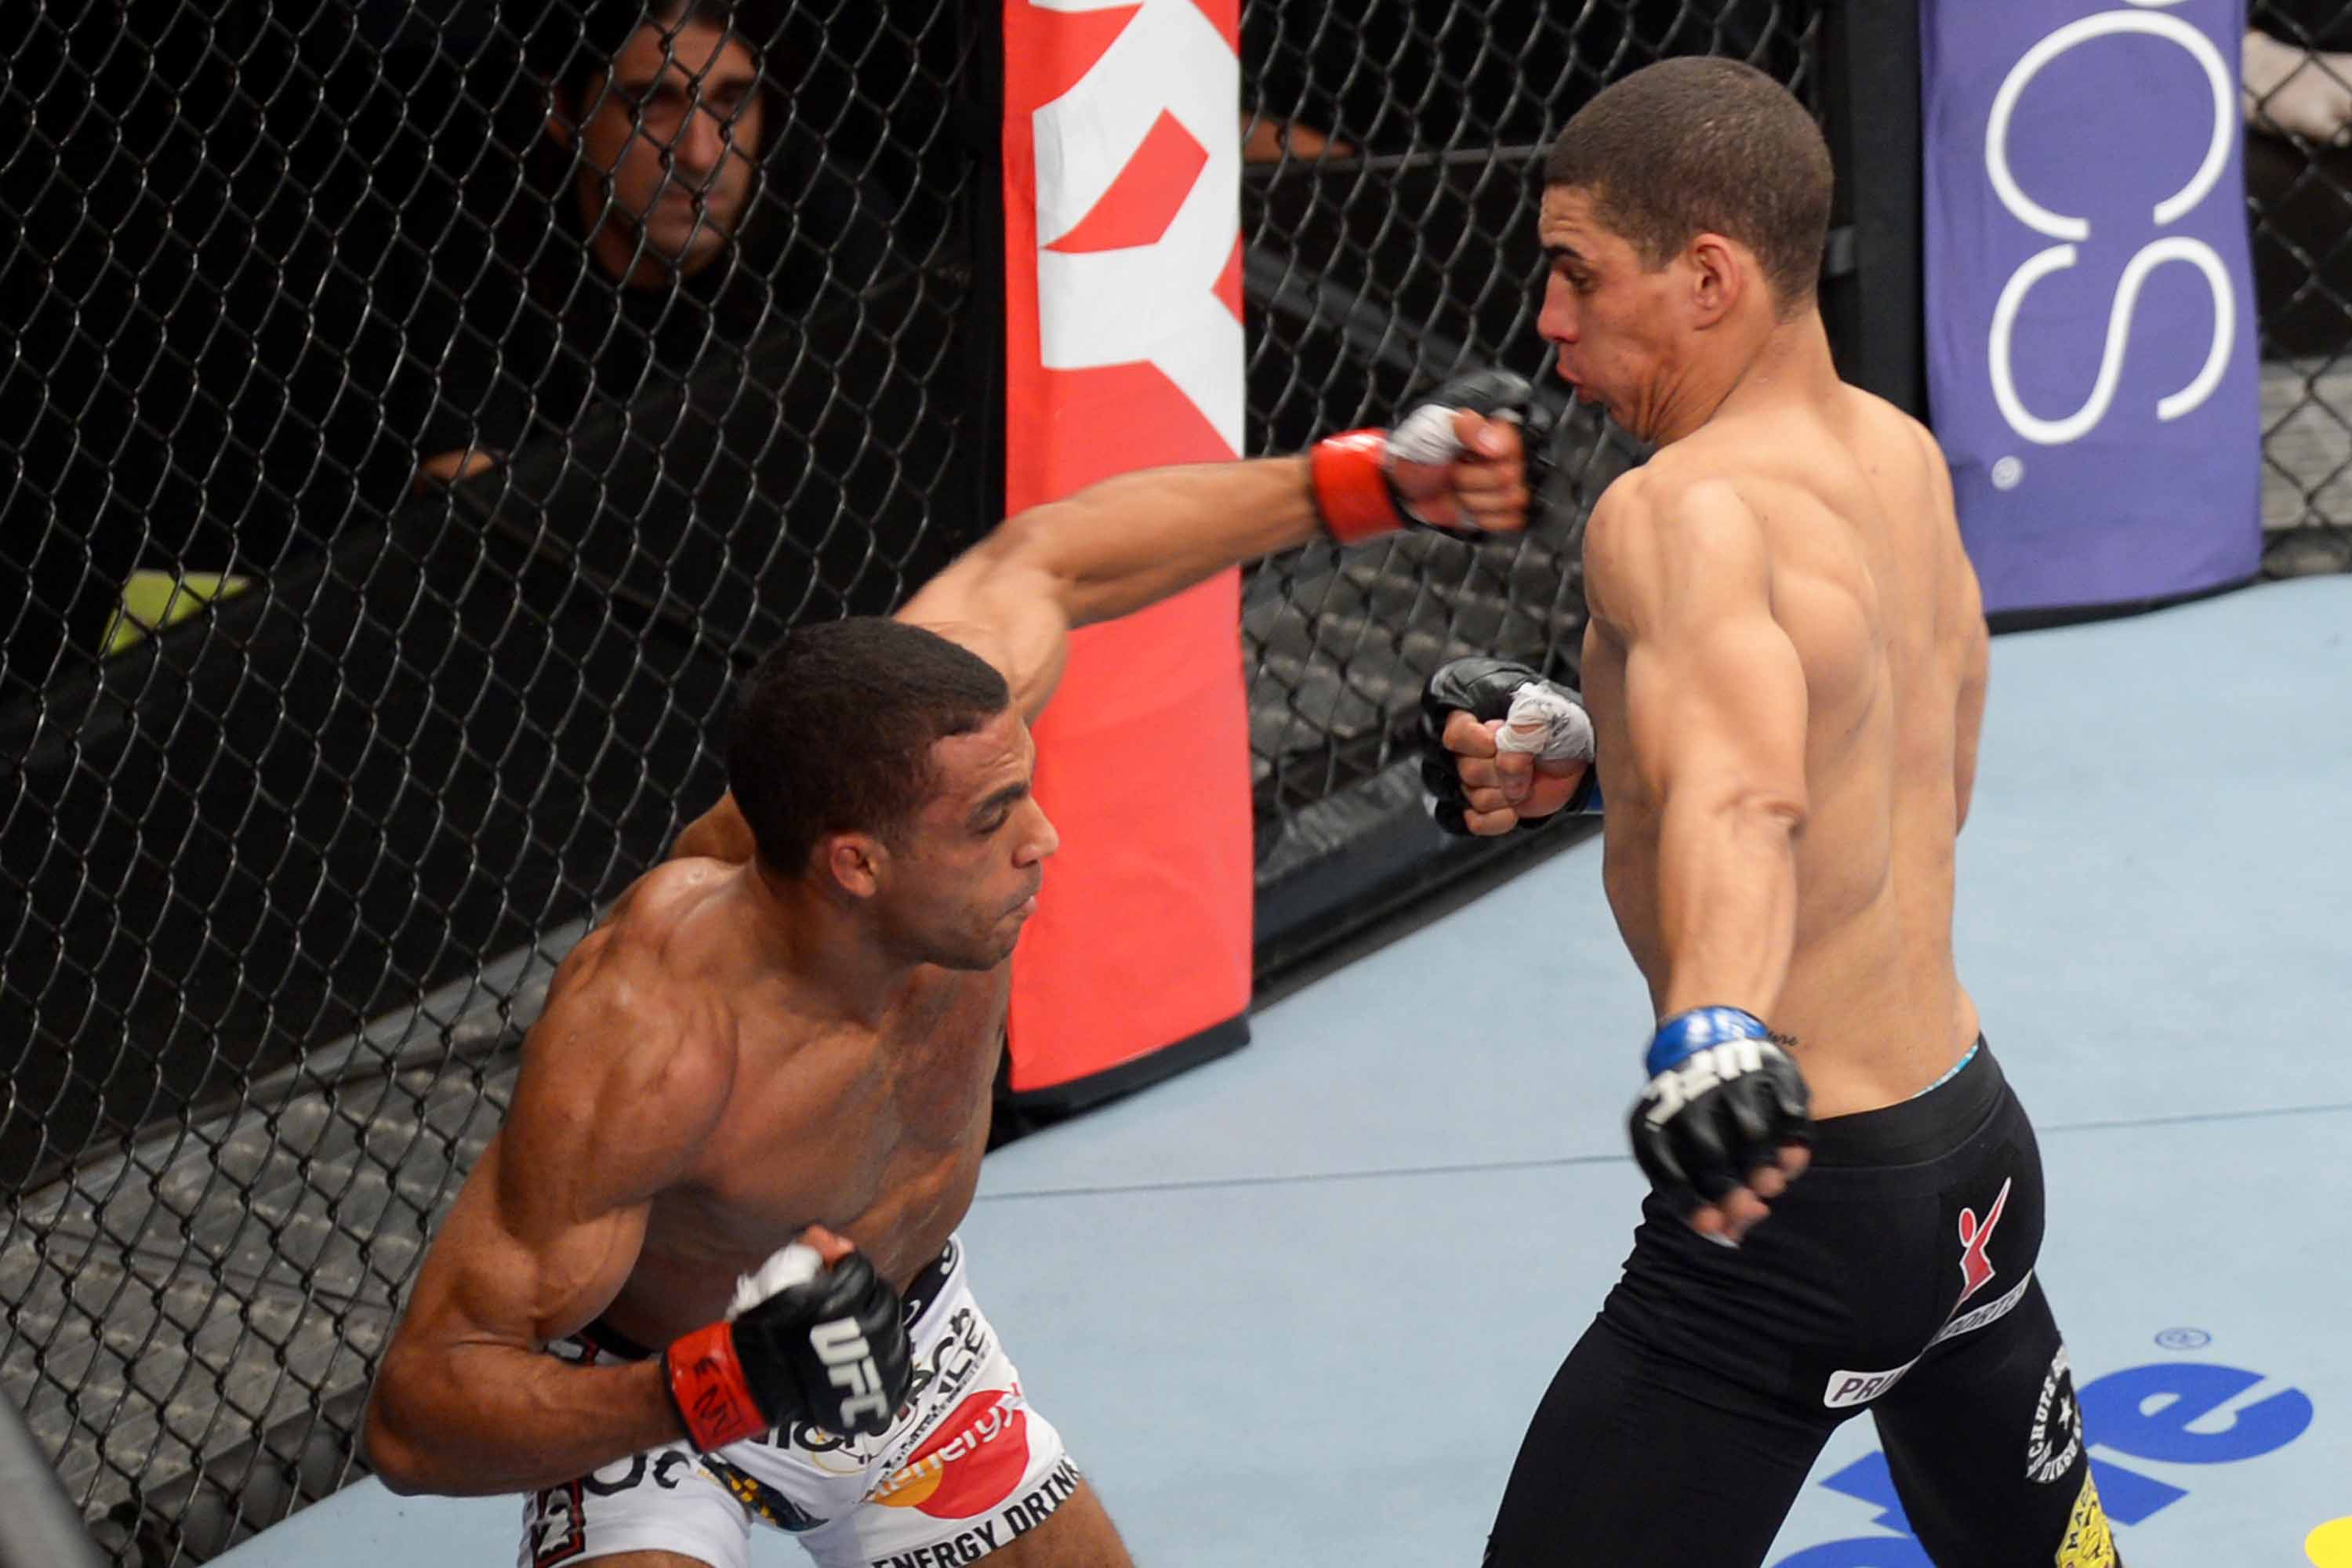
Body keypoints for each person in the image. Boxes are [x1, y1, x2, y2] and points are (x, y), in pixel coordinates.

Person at [361, 383, 1534, 1568]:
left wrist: (1366, 483)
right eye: (991, 821)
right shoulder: (654, 1032)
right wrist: (717, 1386)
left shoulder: (939, 741)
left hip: (913, 1351)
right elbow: (416, 1417)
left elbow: (1053, 562)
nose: (1043, 838)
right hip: (661, 1398)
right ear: (856, 864)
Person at [1420, 60, 2122, 1566]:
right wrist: (1607, 762)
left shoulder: (1674, 510)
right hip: (1972, 1161)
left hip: (1801, 1216)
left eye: (1577, 274)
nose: (1549, 323)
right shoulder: (1897, 453)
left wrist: (1715, 1030)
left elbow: (1745, 799)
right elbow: (1895, 781)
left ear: (1709, 276)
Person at [414, 0, 899, 488]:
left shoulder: (823, 216)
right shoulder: (478, 255)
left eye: (731, 103)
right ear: (561, 113)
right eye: (650, 105)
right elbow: (470, 499)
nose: (700, 154)